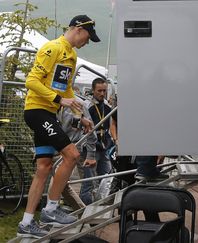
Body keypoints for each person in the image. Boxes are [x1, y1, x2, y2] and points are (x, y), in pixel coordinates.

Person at [17, 15, 100, 239]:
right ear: (78, 29)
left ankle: (26, 223)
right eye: (88, 36)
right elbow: (31, 81)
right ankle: (51, 209)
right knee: (72, 155)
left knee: (44, 167)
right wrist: (58, 100)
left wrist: (79, 115)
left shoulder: (71, 55)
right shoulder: (52, 47)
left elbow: (66, 91)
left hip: (48, 113)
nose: (88, 41)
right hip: (37, 111)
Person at [57, 96, 98, 206]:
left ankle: (89, 210)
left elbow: (91, 129)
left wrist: (91, 155)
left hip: (76, 145)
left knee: (88, 181)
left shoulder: (78, 103)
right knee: (58, 181)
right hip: (57, 147)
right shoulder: (48, 103)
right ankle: (54, 207)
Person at [87, 78, 114, 180]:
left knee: (107, 179)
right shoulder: (88, 105)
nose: (102, 93)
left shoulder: (107, 106)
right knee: (89, 182)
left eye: (104, 91)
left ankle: (103, 196)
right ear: (93, 90)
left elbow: (112, 124)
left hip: (104, 147)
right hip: (91, 148)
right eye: (99, 91)